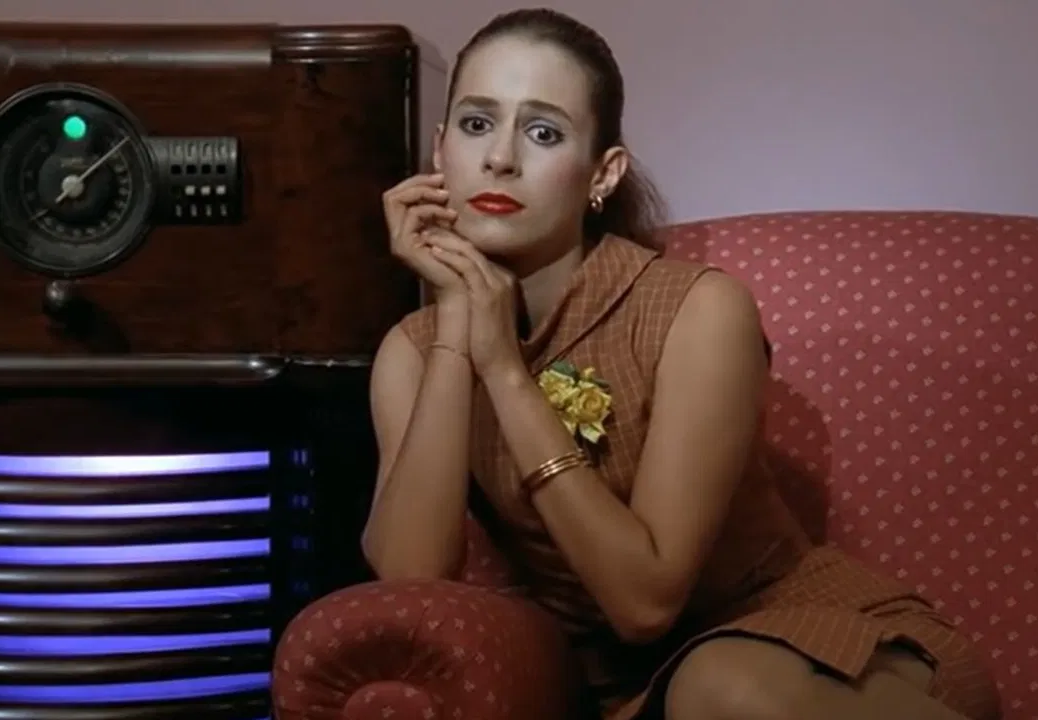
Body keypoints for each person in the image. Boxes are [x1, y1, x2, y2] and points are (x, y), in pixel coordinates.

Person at [359, 7, 1000, 720]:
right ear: (440, 150)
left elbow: (645, 604)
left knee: (713, 685)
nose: (500, 158)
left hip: (831, 663)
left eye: (543, 133)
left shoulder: (698, 309)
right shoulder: (412, 351)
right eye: (478, 124)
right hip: (631, 693)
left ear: (603, 173)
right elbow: (411, 585)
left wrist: (506, 371)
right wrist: (457, 321)